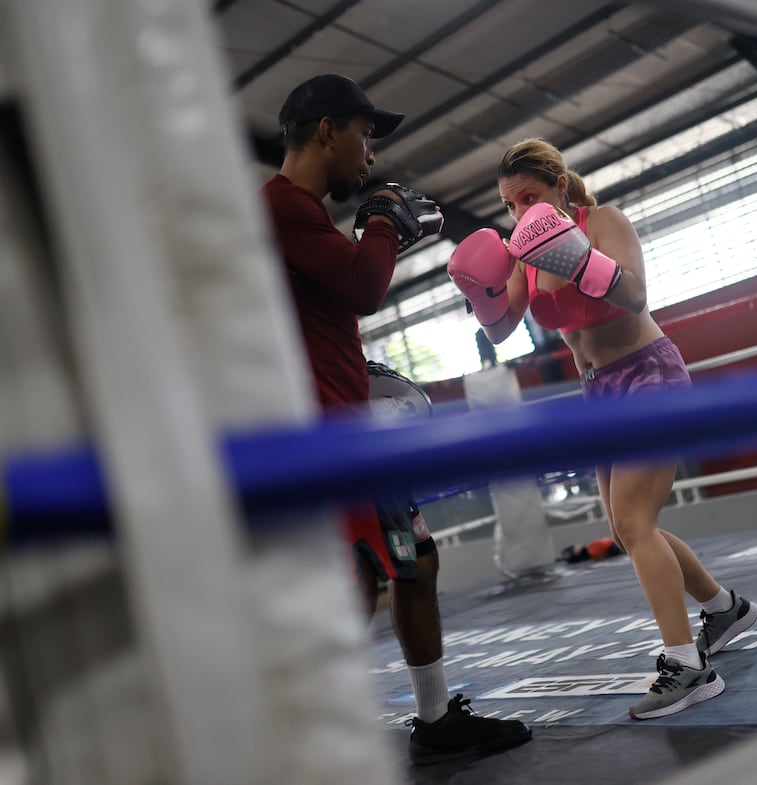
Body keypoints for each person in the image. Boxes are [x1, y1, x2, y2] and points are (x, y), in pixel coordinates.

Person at [259, 74, 532, 764]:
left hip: (351, 424)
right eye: (365, 135)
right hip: (326, 436)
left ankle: (435, 719)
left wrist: (377, 236)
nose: (370, 155)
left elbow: (344, 290)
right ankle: (298, 747)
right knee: (357, 579)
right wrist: (383, 221)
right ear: (327, 129)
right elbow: (364, 288)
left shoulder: (304, 215)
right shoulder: (281, 204)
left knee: (416, 562)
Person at [448, 138, 757, 720]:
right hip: (598, 393)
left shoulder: (604, 222)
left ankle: (689, 668)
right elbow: (499, 331)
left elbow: (637, 294)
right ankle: (725, 609)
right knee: (625, 528)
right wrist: (481, 291)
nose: (519, 213)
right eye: (509, 205)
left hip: (648, 374)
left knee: (637, 523)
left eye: (528, 197)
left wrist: (581, 258)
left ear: (560, 188)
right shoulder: (522, 254)